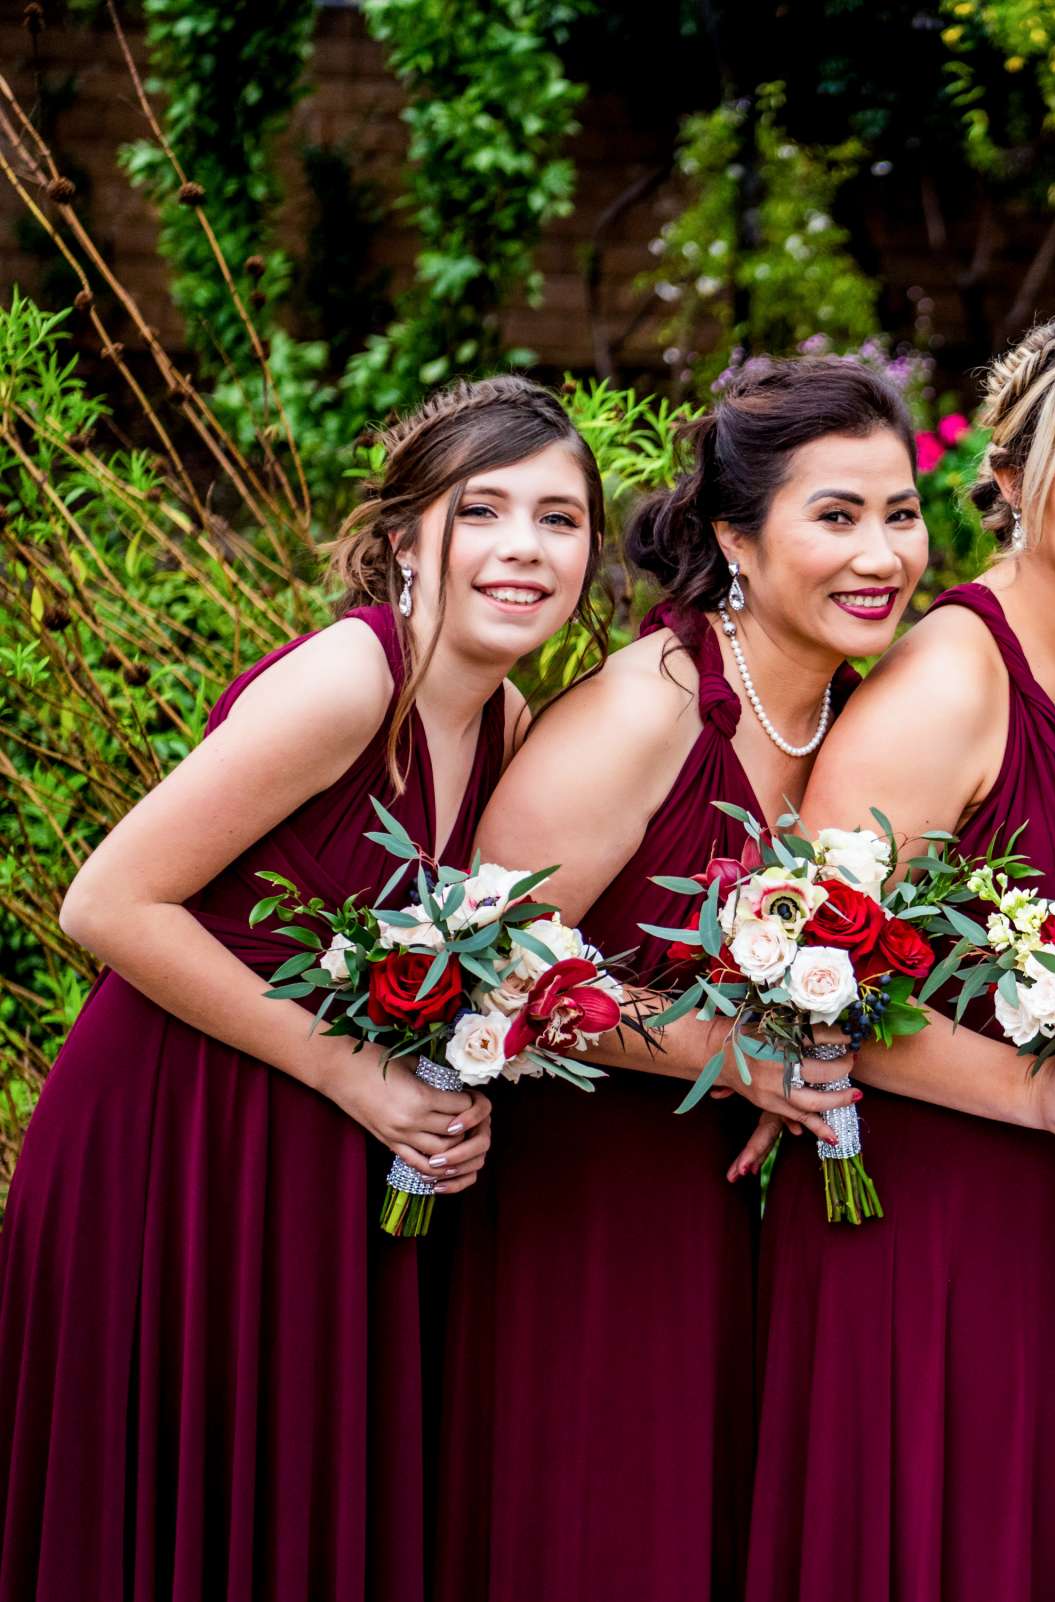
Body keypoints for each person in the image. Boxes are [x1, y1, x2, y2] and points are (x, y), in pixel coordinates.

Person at [0, 376, 603, 1602]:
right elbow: (108, 903)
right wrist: (352, 1074)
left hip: (314, 1152)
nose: (524, 550)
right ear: (404, 541)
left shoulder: (507, 719)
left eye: (561, 519)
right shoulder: (350, 681)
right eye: (482, 511)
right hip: (169, 1141)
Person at [434, 357, 923, 1601]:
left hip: (734, 1226)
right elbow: (484, 959)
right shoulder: (650, 705)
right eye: (838, 515)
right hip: (582, 1214)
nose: (882, 554)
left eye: (902, 513)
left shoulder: (859, 714)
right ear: (735, 541)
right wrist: (734, 1055)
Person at [743, 312, 1055, 1602]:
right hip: (939, 1226)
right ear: (1005, 479)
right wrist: (1030, 1092)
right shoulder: (952, 676)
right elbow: (802, 974)